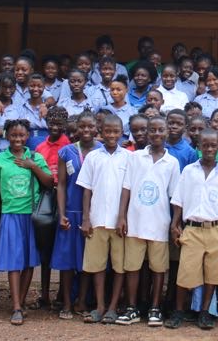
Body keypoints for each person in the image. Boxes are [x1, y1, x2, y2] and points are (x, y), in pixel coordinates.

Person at [165, 128, 218, 330]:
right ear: (198, 146)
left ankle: (205, 312)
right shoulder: (189, 171)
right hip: (192, 229)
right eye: (205, 145)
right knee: (186, 273)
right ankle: (178, 311)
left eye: (213, 145)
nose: (209, 149)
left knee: (212, 274)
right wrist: (175, 223)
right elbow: (179, 200)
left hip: (216, 228)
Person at [116, 115, 180, 326]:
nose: (156, 134)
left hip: (159, 224)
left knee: (158, 268)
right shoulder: (135, 158)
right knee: (132, 267)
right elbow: (126, 188)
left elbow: (175, 197)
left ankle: (155, 308)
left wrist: (174, 223)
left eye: (160, 130)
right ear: (147, 132)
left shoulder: (172, 162)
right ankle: (132, 308)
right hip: (135, 222)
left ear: (167, 132)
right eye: (152, 130)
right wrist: (122, 216)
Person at [0, 118, 53, 326]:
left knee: (28, 261)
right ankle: (16, 305)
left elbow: (49, 182)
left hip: (32, 216)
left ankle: (22, 301)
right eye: (14, 135)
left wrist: (32, 165)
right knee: (14, 262)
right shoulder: (0, 159)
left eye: (22, 135)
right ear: (7, 136)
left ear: (27, 137)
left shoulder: (35, 156)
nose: (18, 139)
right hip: (10, 215)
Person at [77, 114, 132, 324]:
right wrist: (85, 219)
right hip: (97, 219)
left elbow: (127, 190)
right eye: (107, 131)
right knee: (97, 265)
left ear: (121, 133)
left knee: (119, 266)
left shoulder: (128, 157)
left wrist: (122, 217)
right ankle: (99, 306)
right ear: (101, 131)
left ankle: (112, 307)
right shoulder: (93, 157)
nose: (111, 135)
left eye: (115, 131)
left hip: (119, 223)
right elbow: (87, 190)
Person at [52, 111, 101, 320]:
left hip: (93, 214)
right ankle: (66, 303)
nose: (87, 130)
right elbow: (61, 185)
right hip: (71, 212)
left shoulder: (102, 151)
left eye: (91, 126)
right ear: (76, 128)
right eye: (83, 127)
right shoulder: (66, 152)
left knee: (86, 260)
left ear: (97, 127)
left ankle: (81, 300)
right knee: (66, 260)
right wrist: (61, 213)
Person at [32, 106, 71, 310]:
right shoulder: (40, 147)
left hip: (65, 198)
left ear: (65, 125)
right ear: (46, 124)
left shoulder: (69, 146)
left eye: (59, 123)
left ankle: (62, 296)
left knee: (63, 248)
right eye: (51, 123)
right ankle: (44, 295)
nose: (55, 127)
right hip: (46, 197)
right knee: (45, 249)